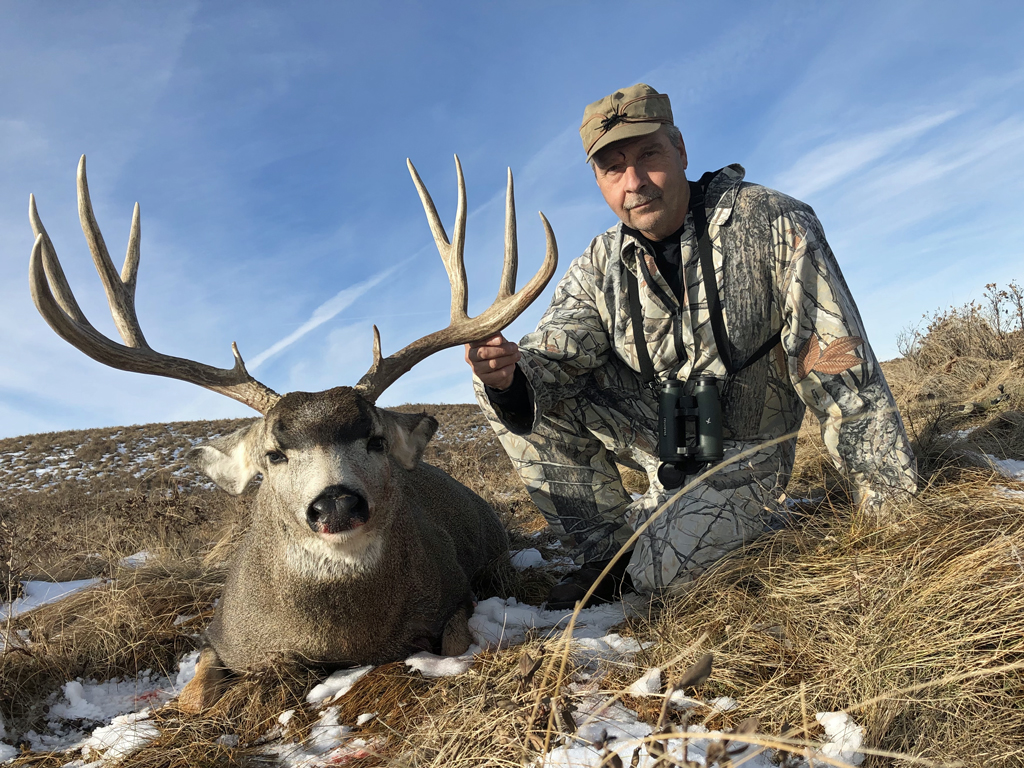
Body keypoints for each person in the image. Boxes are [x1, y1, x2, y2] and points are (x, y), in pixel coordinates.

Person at [465, 84, 917, 608]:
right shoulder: (600, 263)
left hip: (747, 448)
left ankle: (709, 528)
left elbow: (837, 365)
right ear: (598, 181)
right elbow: (552, 358)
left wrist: (891, 518)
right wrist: (505, 374)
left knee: (662, 570)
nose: (634, 182)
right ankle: (606, 557)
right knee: (508, 390)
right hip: (665, 435)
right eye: (613, 169)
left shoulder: (774, 223)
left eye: (648, 155)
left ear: (680, 150)